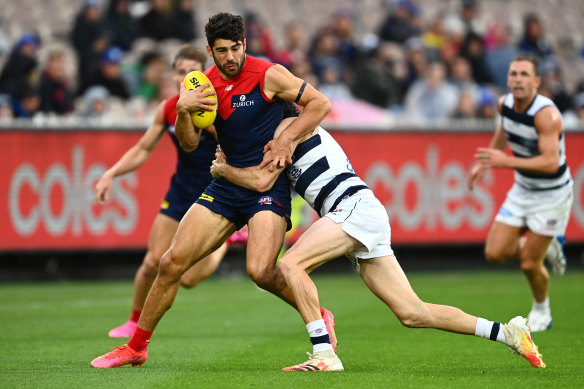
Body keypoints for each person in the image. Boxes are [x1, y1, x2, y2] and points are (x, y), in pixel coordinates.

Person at [209, 104, 547, 371]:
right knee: (413, 312)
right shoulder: (288, 130)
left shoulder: (286, 129)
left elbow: (259, 181)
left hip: (353, 207)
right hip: (361, 211)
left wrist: (223, 169)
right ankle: (507, 333)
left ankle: (323, 352)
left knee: (291, 265)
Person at [90, 12, 334, 368]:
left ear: (244, 44)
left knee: (261, 272)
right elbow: (189, 145)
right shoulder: (204, 86)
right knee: (171, 262)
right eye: (222, 50)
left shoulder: (268, 74)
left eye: (236, 48)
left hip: (267, 186)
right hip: (227, 184)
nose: (231, 57)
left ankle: (319, 313)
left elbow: (320, 104)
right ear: (211, 50)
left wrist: (286, 139)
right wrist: (185, 113)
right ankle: (136, 347)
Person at [93, 44, 230, 339]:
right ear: (173, 76)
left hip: (214, 195)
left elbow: (236, 146)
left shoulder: (215, 109)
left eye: (192, 72)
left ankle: (226, 244)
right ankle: (133, 321)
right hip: (180, 192)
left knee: (189, 279)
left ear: (204, 77)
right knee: (153, 260)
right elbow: (143, 148)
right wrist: (111, 173)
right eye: (180, 72)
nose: (185, 78)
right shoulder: (168, 109)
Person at [468, 54, 573, 332]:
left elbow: (551, 162)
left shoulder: (546, 115)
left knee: (528, 263)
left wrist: (506, 162)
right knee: (494, 252)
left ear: (537, 82)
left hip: (552, 194)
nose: (517, 79)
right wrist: (487, 161)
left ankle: (542, 311)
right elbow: (505, 130)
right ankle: (545, 245)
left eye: (524, 74)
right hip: (524, 189)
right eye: (514, 73)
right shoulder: (505, 105)